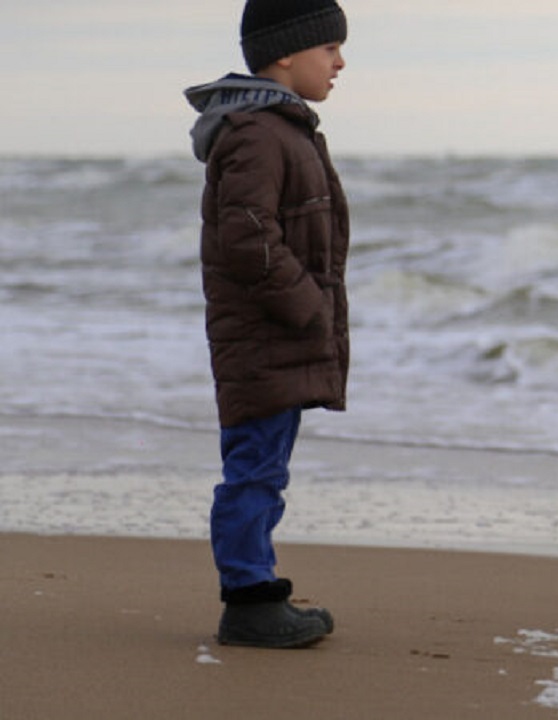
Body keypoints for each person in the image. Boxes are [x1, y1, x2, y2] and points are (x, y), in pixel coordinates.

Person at [183, 0, 350, 649]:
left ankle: (257, 588)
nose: (339, 62)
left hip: (272, 335)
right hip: (265, 335)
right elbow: (247, 235)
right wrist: (308, 306)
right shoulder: (258, 131)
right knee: (254, 468)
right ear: (285, 53)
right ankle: (249, 601)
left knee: (263, 466)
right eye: (329, 48)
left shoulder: (281, 127)